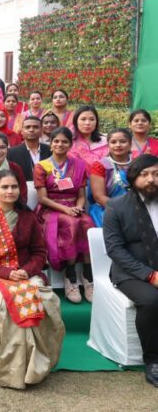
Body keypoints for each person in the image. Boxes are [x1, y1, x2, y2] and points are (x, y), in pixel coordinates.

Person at [0, 169, 64, 389]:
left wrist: (26, 271)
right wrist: (7, 273)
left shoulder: (28, 217)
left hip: (25, 274)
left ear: (20, 190)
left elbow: (39, 253)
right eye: (4, 187)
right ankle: (16, 371)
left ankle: (38, 363)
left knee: (46, 301)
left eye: (13, 187)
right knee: (9, 304)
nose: (10, 191)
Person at [103, 154, 158, 387]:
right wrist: (150, 275)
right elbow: (115, 250)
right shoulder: (116, 206)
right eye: (144, 175)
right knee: (152, 299)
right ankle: (153, 360)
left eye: (156, 174)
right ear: (133, 177)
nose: (151, 180)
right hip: (130, 272)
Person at [34, 127, 95, 303]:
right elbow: (42, 198)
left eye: (64, 141)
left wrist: (78, 207)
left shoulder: (79, 165)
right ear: (51, 144)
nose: (60, 144)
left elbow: (81, 195)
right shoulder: (42, 166)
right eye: (56, 141)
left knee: (87, 223)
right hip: (51, 209)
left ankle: (88, 274)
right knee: (71, 224)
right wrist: (65, 210)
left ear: (70, 144)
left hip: (74, 207)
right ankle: (70, 276)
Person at [89, 129, 132, 227]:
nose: (118, 145)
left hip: (136, 208)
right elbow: (99, 197)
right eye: (113, 142)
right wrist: (122, 210)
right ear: (108, 145)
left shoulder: (138, 163)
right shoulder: (100, 165)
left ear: (130, 143)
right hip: (107, 209)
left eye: (123, 141)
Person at [7, 116, 50, 183]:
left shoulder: (50, 150)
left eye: (35, 127)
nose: (31, 130)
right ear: (22, 131)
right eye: (27, 127)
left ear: (41, 131)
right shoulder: (12, 153)